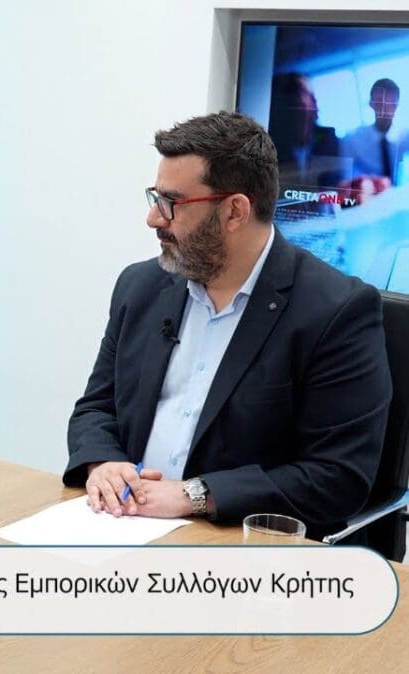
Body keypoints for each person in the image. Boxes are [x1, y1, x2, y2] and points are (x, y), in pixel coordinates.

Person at [64, 112, 391, 539]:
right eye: (155, 198)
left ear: (235, 211)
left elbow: (337, 477)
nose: (154, 219)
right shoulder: (140, 286)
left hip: (240, 544)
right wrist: (104, 462)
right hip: (123, 528)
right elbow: (96, 407)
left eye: (172, 203)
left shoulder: (336, 312)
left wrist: (194, 495)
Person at [267, 72, 344, 188]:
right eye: (304, 93)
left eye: (313, 96)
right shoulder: (271, 143)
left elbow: (336, 186)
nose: (314, 101)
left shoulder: (329, 139)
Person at [342, 78, 404, 186]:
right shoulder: (352, 139)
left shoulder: (405, 137)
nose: (385, 109)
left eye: (391, 103)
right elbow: (346, 179)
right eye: (380, 103)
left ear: (397, 105)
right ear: (371, 103)